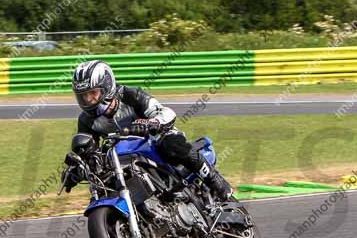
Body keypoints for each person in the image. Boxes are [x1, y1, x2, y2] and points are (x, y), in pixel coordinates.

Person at [63, 59, 233, 200]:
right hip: (122, 159)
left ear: (107, 87)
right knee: (101, 182)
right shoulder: (86, 120)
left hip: (153, 141)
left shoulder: (131, 95)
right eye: (84, 96)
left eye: (93, 93)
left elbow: (166, 112)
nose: (89, 99)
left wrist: (152, 123)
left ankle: (215, 180)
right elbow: (86, 149)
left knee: (170, 144)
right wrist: (76, 170)